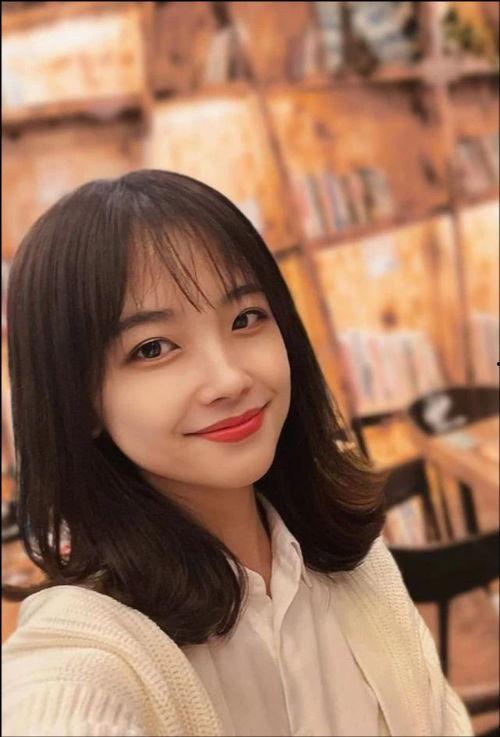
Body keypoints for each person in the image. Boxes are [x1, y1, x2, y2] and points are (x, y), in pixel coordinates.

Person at [2, 170, 472, 736]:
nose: (229, 379)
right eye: (152, 348)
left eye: (246, 318)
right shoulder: (89, 643)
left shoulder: (354, 562)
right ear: (79, 401)